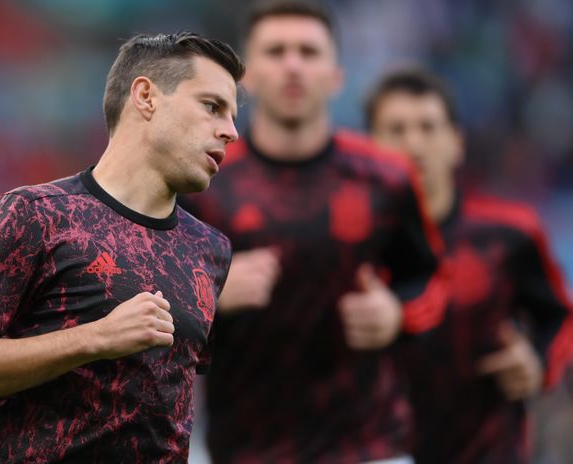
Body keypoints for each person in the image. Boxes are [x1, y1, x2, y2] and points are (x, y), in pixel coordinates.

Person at [0, 31, 244, 462]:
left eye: (233, 115)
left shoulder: (210, 250)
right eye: (212, 106)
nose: (232, 132)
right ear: (145, 96)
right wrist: (96, 337)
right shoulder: (37, 213)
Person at [178, 1, 448, 462]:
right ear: (246, 76)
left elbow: (432, 283)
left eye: (308, 51)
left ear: (336, 75)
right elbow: (148, 301)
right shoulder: (201, 179)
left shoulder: (386, 178)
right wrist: (209, 295)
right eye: (276, 51)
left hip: (367, 446)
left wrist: (396, 314)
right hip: (241, 447)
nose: (293, 65)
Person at [366, 66, 573, 464]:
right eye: (396, 129)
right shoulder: (348, 242)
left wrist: (538, 362)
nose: (413, 144)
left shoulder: (510, 234)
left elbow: (559, 315)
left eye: (428, 128)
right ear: (369, 145)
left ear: (456, 142)